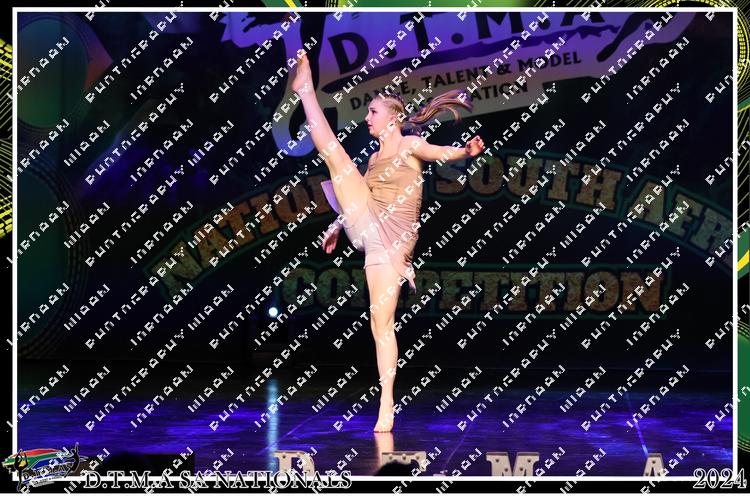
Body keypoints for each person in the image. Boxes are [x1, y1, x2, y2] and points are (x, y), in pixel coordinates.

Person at [291, 51, 485, 432]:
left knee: (381, 325)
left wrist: (465, 151)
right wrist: (336, 225)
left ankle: (387, 401)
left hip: (391, 245)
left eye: (373, 112)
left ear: (393, 118)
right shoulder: (374, 159)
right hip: (366, 224)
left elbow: (438, 153)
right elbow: (357, 196)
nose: (367, 118)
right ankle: (305, 90)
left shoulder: (410, 145)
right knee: (335, 156)